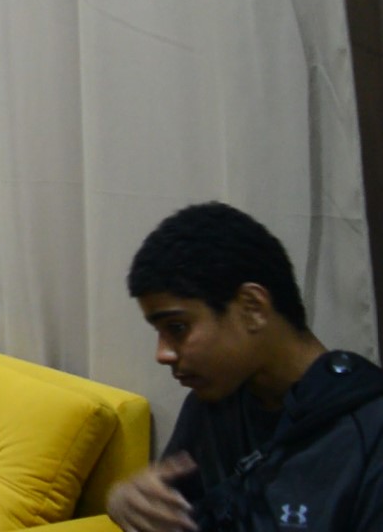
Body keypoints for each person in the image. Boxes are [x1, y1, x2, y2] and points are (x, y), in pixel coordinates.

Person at [106, 202, 383, 532]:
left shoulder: (368, 428)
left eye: (177, 328)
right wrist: (124, 500)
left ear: (252, 307)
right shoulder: (213, 405)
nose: (162, 354)